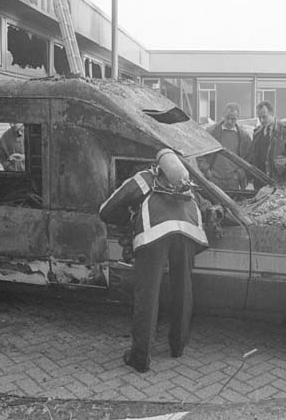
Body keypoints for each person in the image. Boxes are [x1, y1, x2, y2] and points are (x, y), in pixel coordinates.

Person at [98, 149, 209, 373]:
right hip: (187, 232)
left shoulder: (146, 178)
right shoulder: (187, 181)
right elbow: (204, 207)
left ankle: (140, 358)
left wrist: (129, 219)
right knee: (183, 289)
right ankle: (177, 347)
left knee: (147, 294)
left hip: (154, 235)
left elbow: (106, 209)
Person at [251, 101, 286, 188]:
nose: (261, 121)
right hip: (260, 181)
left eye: (264, 117)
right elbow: (254, 157)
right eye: (259, 117)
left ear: (272, 114)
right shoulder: (257, 133)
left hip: (280, 180)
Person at [201, 103, 252, 190]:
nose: (229, 121)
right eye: (227, 118)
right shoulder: (211, 132)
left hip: (233, 180)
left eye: (233, 119)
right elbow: (200, 154)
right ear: (223, 115)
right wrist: (206, 171)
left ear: (238, 118)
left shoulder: (244, 137)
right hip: (214, 179)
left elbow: (248, 158)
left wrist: (239, 173)